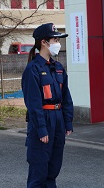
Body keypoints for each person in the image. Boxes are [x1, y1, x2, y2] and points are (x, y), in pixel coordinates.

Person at [22, 23, 74, 188]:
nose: (58, 43)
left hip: (57, 120)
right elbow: (34, 104)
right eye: (55, 39)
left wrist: (67, 121)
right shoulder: (33, 69)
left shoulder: (58, 68)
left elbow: (66, 97)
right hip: (43, 120)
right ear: (44, 42)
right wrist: (42, 129)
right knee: (39, 172)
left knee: (53, 170)